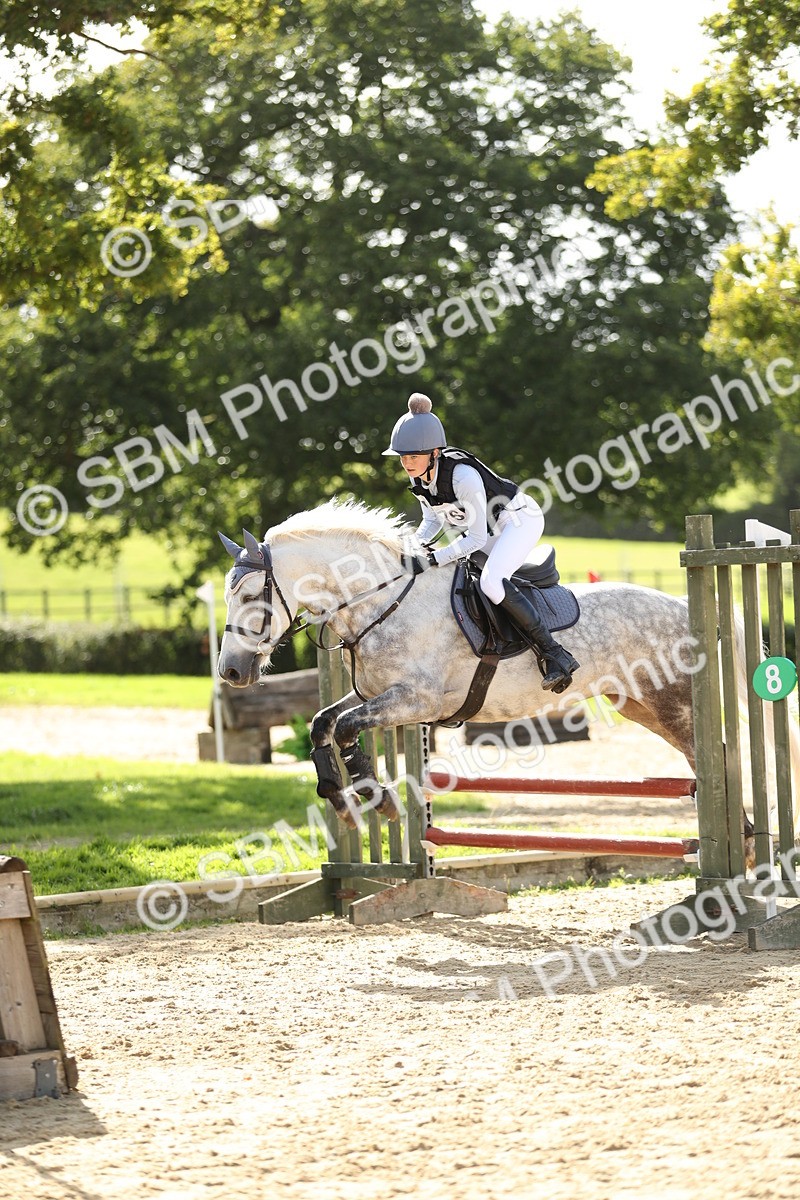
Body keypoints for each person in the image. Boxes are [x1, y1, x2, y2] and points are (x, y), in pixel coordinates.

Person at [384, 392, 579, 692]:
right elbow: (432, 521)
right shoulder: (420, 478)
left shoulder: (463, 477)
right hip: (489, 530)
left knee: (491, 581)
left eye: (414, 456)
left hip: (518, 520)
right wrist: (411, 546)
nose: (407, 463)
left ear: (434, 452)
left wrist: (434, 558)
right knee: (463, 572)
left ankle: (556, 654)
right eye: (403, 457)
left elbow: (474, 539)